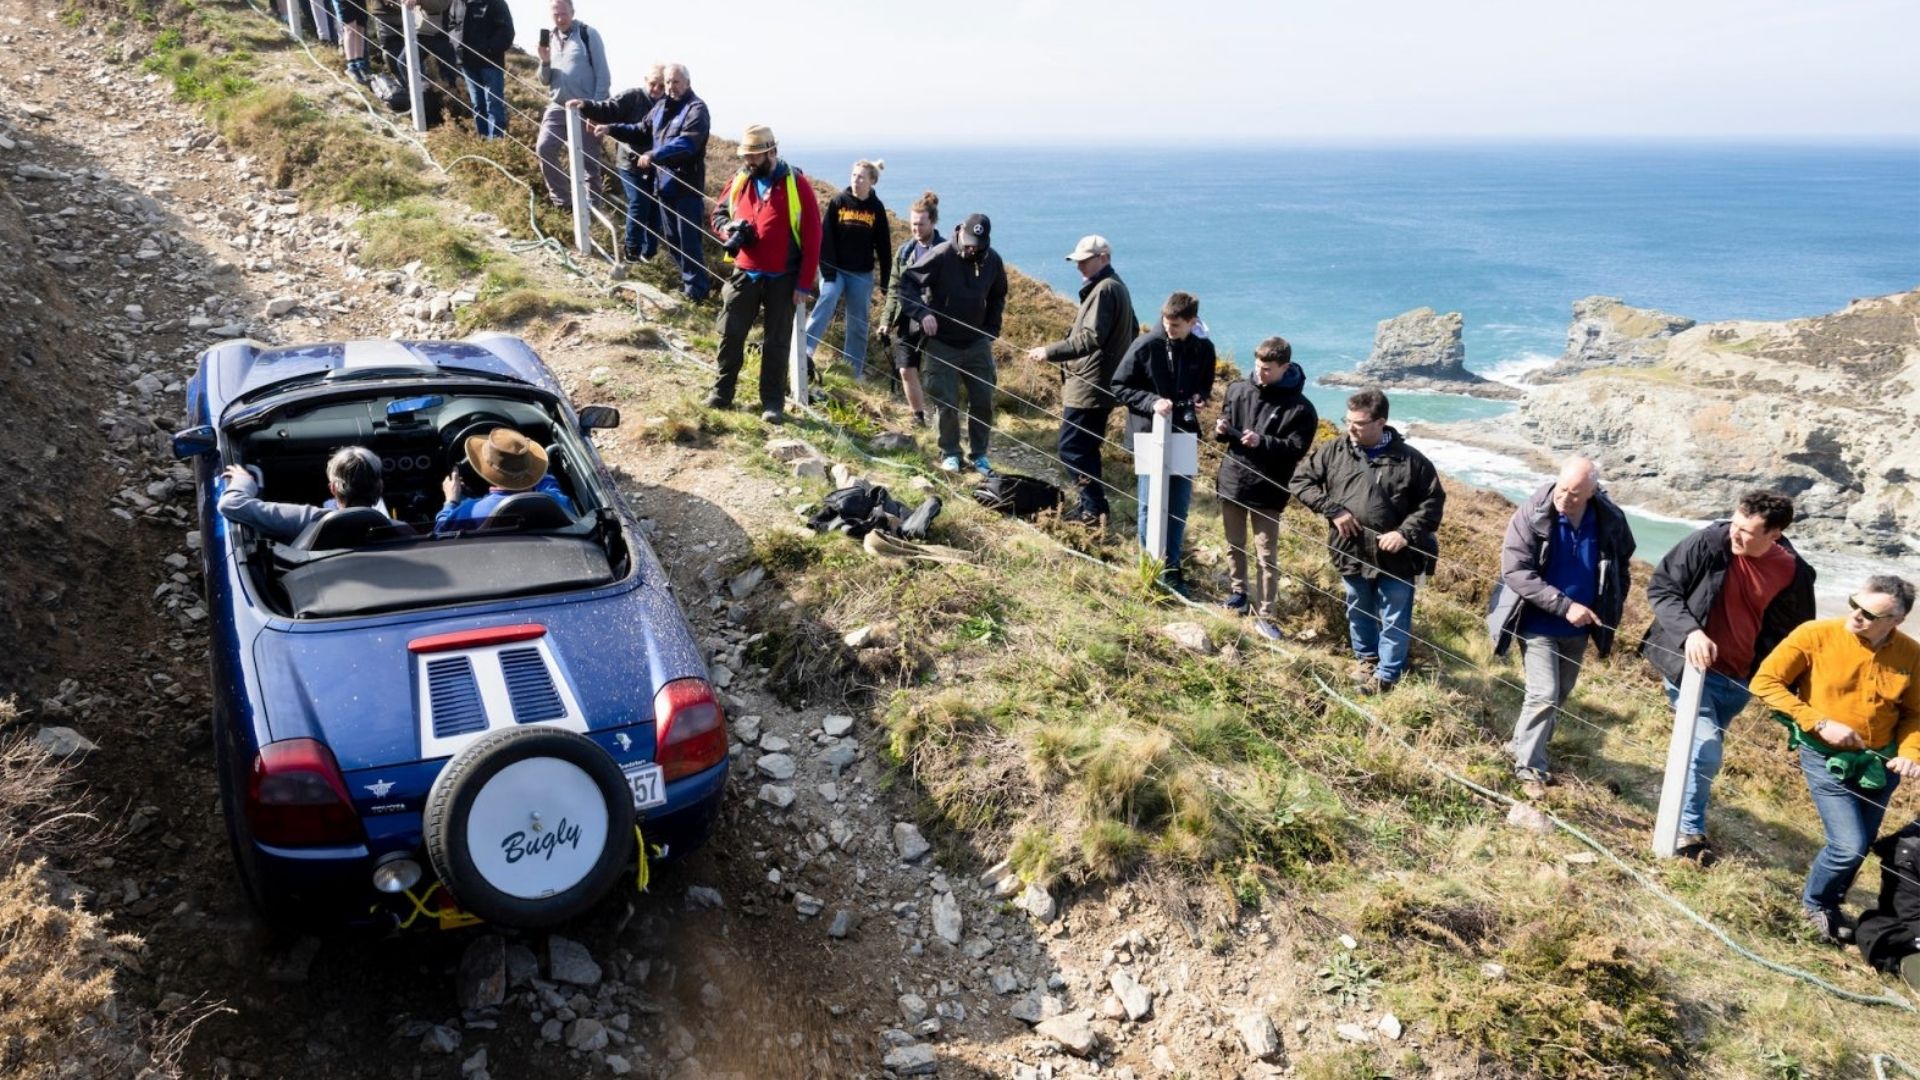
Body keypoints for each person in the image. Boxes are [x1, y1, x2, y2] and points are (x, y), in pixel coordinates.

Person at [1641, 489, 1816, 863]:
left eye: (1746, 532)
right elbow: (1662, 586)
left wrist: (1792, 689)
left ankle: (1678, 810)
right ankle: (1687, 833)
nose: (1734, 534)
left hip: (1740, 680)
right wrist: (1690, 632)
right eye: (1735, 524)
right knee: (1704, 751)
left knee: (1700, 751)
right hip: (1690, 668)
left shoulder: (1794, 572)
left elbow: (1798, 636)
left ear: (1775, 535)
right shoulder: (1709, 541)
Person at [1750, 576, 1920, 943]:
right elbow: (1764, 682)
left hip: (1881, 766)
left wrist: (1910, 753)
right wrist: (1819, 723)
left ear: (1897, 620)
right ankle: (1814, 905)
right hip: (1825, 756)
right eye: (1853, 603)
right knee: (1848, 845)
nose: (1855, 615)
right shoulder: (1814, 633)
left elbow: (1914, 714)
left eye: (1868, 613)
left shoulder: (1911, 653)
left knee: (1861, 844)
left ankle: (1831, 904)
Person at [1485, 456, 1637, 794]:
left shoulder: (1609, 518)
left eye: (1575, 494)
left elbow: (1621, 563)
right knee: (1544, 693)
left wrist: (1611, 601)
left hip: (1579, 628)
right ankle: (1529, 771)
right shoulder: (1532, 512)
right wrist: (1564, 606)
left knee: (1559, 696)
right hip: (1536, 621)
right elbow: (1515, 571)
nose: (1565, 499)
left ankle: (1520, 746)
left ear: (1593, 492)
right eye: (1562, 490)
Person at [1290, 389, 1445, 695]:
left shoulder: (1412, 461)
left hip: (1398, 555)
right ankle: (1367, 661)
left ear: (1381, 422)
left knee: (1394, 615)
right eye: (1347, 421)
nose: (1351, 428)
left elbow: (1432, 502)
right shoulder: (1333, 450)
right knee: (1358, 608)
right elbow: (1300, 481)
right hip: (1350, 548)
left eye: (1359, 423)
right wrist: (1333, 510)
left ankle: (1387, 674)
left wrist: (1404, 533)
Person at [706, 125, 823, 424]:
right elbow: (718, 214)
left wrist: (804, 284)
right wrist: (727, 230)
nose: (749, 162)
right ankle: (722, 392)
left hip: (783, 278)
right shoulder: (740, 180)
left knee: (777, 342)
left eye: (755, 156)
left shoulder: (797, 185)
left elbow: (812, 238)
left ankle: (772, 403)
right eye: (746, 156)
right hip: (744, 271)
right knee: (730, 333)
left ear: (772, 152)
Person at [1025, 235, 1138, 525]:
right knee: (1084, 448)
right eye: (1078, 261)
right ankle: (1092, 508)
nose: (1080, 267)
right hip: (1098, 384)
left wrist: (1049, 352)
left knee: (1072, 448)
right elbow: (1134, 330)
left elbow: (1091, 337)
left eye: (1085, 261)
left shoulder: (1105, 289)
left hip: (1089, 386)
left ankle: (1093, 509)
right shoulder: (1116, 287)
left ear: (1104, 258)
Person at [1211, 336, 1317, 637]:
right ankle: (1238, 595)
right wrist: (1221, 429)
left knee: (1266, 555)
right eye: (1257, 366)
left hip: (1269, 488)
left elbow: (1297, 449)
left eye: (1267, 369)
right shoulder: (1238, 388)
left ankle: (1267, 613)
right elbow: (1226, 421)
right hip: (1233, 479)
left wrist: (1263, 442)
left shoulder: (1301, 409)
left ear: (1285, 367)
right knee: (1233, 544)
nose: (1260, 373)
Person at [1112, 291, 1217, 590]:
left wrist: (1200, 397)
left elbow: (1204, 383)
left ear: (1192, 321)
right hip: (1148, 433)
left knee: (1180, 504)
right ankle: (1150, 566)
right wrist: (1152, 401)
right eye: (1166, 323)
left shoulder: (1203, 348)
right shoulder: (1146, 344)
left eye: (1176, 326)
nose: (1169, 330)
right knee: (1149, 503)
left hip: (1183, 432)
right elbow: (1119, 385)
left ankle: (1172, 567)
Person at [901, 213, 1009, 475]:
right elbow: (908, 284)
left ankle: (980, 454)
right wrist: (922, 314)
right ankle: (950, 452)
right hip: (942, 343)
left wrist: (990, 331)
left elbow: (998, 295)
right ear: (961, 233)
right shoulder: (941, 254)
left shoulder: (992, 260)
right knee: (946, 401)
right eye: (969, 242)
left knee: (983, 399)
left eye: (978, 244)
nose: (972, 248)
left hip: (976, 342)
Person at [619, 64, 710, 299]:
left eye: (675, 82)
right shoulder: (660, 106)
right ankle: (691, 287)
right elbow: (641, 130)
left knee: (689, 241)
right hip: (664, 185)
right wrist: (610, 129)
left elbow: (688, 143)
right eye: (668, 82)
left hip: (686, 186)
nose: (670, 87)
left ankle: (696, 292)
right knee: (672, 240)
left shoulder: (696, 109)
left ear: (688, 83)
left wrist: (653, 155)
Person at [804, 160, 892, 380]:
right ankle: (804, 349)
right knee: (827, 299)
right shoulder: (838, 202)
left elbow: (884, 246)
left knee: (858, 323)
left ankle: (852, 371)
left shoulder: (876, 209)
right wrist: (829, 272)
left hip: (861, 274)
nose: (856, 180)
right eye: (853, 175)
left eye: (861, 177)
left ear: (872, 181)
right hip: (835, 270)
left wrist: (886, 281)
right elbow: (826, 240)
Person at [576, 63, 665, 262]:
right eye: (653, 84)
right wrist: (586, 106)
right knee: (639, 202)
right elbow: (609, 109)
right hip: (629, 162)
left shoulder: (669, 104)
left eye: (661, 86)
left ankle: (649, 252)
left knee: (655, 208)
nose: (656, 89)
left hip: (656, 165)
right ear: (645, 80)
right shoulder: (632, 96)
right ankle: (632, 249)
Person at [218, 447, 386, 543]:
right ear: (379, 487)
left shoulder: (307, 520)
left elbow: (231, 504)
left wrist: (244, 482)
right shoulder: (400, 530)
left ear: (333, 488)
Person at [534, 0, 610, 210]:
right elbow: (544, 79)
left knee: (588, 163)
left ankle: (593, 209)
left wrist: (596, 110)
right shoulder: (549, 38)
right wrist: (545, 60)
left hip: (586, 107)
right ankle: (565, 204)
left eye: (564, 14)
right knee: (544, 148)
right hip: (558, 105)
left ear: (572, 12)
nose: (560, 18)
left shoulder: (588, 34)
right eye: (556, 14)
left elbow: (603, 75)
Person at [879, 190, 941, 428]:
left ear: (933, 222)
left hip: (935, 320)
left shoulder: (945, 251)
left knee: (935, 373)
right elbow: (894, 288)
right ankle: (918, 416)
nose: (915, 229)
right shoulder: (904, 252)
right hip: (907, 318)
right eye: (913, 224)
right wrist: (886, 319)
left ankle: (939, 415)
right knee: (905, 368)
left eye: (921, 224)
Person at [436, 428, 577, 533]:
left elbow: (440, 533)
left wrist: (451, 501)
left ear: (486, 468)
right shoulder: (556, 502)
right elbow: (549, 484)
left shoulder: (470, 511)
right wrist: (532, 469)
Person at [457, 0, 514, 139]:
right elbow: (452, 25)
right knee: (478, 104)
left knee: (494, 104)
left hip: (491, 63)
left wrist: (488, 49)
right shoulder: (459, 3)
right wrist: (456, 49)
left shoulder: (497, 3)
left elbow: (507, 31)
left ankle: (496, 142)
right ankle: (482, 141)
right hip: (468, 63)